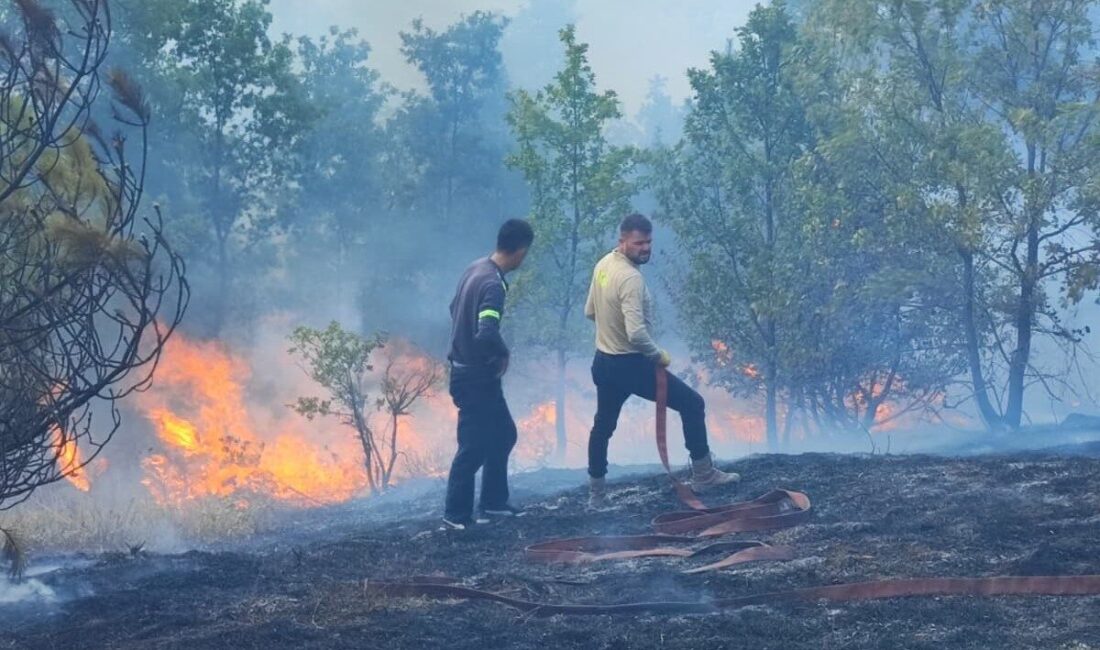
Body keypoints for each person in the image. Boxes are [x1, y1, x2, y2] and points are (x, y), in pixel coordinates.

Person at [584, 213, 739, 509]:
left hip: (604, 362)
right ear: (623, 241)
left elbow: (590, 312)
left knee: (602, 426)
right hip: (630, 364)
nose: (645, 248)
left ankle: (596, 495)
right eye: (639, 243)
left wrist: (610, 331)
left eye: (648, 242)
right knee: (692, 404)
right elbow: (636, 333)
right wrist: (659, 355)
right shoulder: (630, 278)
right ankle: (704, 475)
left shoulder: (603, 265)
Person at [442, 219, 534, 530]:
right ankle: (455, 515)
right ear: (521, 251)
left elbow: (453, 308)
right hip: (475, 378)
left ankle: (493, 502)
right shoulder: (493, 284)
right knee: (473, 446)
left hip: (470, 373)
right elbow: (486, 331)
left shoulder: (475, 268)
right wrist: (503, 352)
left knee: (504, 434)